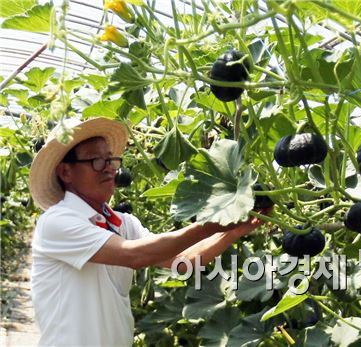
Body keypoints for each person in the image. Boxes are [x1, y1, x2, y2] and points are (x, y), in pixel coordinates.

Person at [29, 117, 267, 346]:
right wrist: (216, 221)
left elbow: (184, 263)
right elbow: (136, 256)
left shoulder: (123, 223)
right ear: (65, 172)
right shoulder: (56, 222)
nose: (109, 169)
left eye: (110, 160)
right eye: (96, 161)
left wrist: (234, 230)